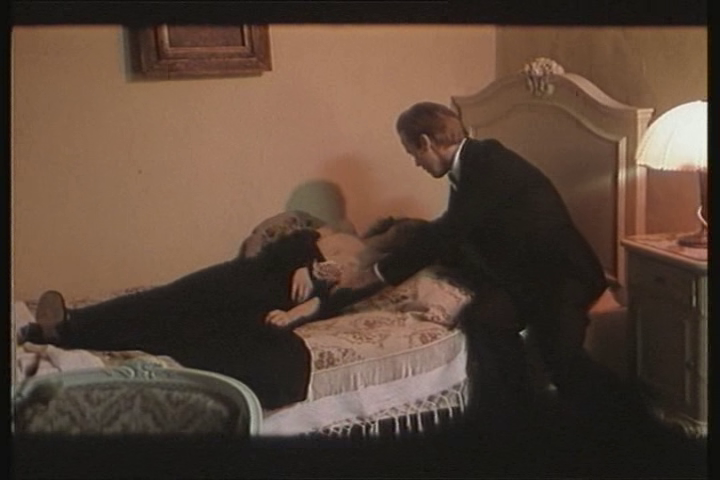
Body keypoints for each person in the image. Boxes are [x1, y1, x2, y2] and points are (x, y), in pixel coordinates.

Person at [341, 102, 610, 427]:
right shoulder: (471, 165)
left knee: (563, 362)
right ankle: (519, 416)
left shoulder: (489, 165)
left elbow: (448, 232)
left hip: (562, 277)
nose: (416, 163)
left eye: (413, 153)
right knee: (484, 318)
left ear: (426, 142)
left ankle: (618, 425)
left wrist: (377, 273)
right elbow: (460, 231)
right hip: (523, 276)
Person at [19, 217, 424, 410]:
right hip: (250, 275)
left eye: (406, 238)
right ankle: (67, 323)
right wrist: (303, 264)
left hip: (267, 301)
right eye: (400, 229)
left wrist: (294, 315)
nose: (399, 236)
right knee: (168, 298)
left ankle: (68, 333)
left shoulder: (370, 274)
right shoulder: (341, 233)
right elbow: (295, 239)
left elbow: (328, 303)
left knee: (178, 321)